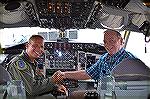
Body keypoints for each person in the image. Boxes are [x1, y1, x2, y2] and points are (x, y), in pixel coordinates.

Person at [56, 29, 137, 81]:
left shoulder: (129, 60)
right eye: (105, 42)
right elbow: (87, 73)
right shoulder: (104, 58)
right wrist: (64, 74)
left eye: (112, 41)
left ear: (121, 41)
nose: (107, 45)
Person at [7, 35, 66, 99]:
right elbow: (32, 90)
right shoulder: (19, 63)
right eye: (35, 46)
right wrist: (52, 80)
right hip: (20, 96)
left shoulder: (32, 62)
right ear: (27, 46)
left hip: (27, 94)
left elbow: (39, 80)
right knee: (50, 97)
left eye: (41, 47)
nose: (39, 49)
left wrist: (55, 86)